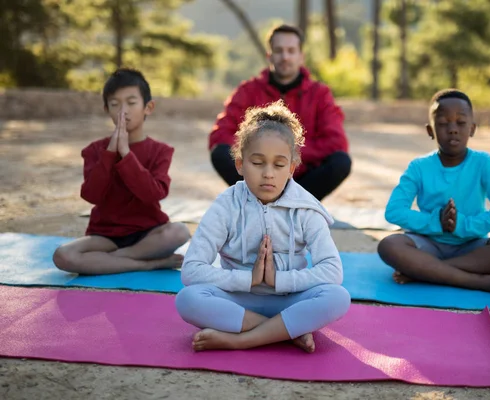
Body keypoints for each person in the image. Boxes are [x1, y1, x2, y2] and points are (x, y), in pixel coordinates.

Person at [176, 100, 350, 352]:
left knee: (338, 297)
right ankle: (285, 332)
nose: (268, 173)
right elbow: (191, 270)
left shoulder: (306, 208)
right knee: (188, 300)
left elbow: (333, 272)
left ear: (291, 168)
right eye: (257, 163)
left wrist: (279, 280)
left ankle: (242, 339)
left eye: (279, 165)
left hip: (290, 300)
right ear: (240, 164)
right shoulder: (226, 205)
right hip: (238, 300)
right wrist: (249, 279)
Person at [377, 89, 490, 295]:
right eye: (443, 123)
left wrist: (463, 224)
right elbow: (394, 211)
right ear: (430, 131)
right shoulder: (419, 166)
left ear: (472, 128)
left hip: (471, 246)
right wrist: (436, 222)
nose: (453, 129)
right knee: (389, 245)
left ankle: (424, 271)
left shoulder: (484, 163)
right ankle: (475, 282)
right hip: (427, 243)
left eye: (460, 122)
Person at [52, 68, 190, 275]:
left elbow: (153, 194)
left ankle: (108, 263)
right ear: (106, 109)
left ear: (148, 107)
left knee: (180, 232)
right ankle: (150, 264)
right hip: (105, 237)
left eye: (131, 103)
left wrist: (126, 154)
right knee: (63, 255)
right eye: (115, 104)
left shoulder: (160, 151)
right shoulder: (94, 150)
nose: (122, 111)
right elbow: (91, 195)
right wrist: (110, 153)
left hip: (148, 234)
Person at [209, 24, 351, 201]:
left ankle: (294, 204)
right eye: (279, 50)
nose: (285, 57)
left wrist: (286, 154)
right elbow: (220, 134)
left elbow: (337, 142)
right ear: (269, 56)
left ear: (301, 56)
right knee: (220, 152)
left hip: (302, 177)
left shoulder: (320, 94)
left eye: (291, 51)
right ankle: (259, 201)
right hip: (258, 175)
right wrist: (261, 153)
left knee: (341, 162)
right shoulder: (248, 90)